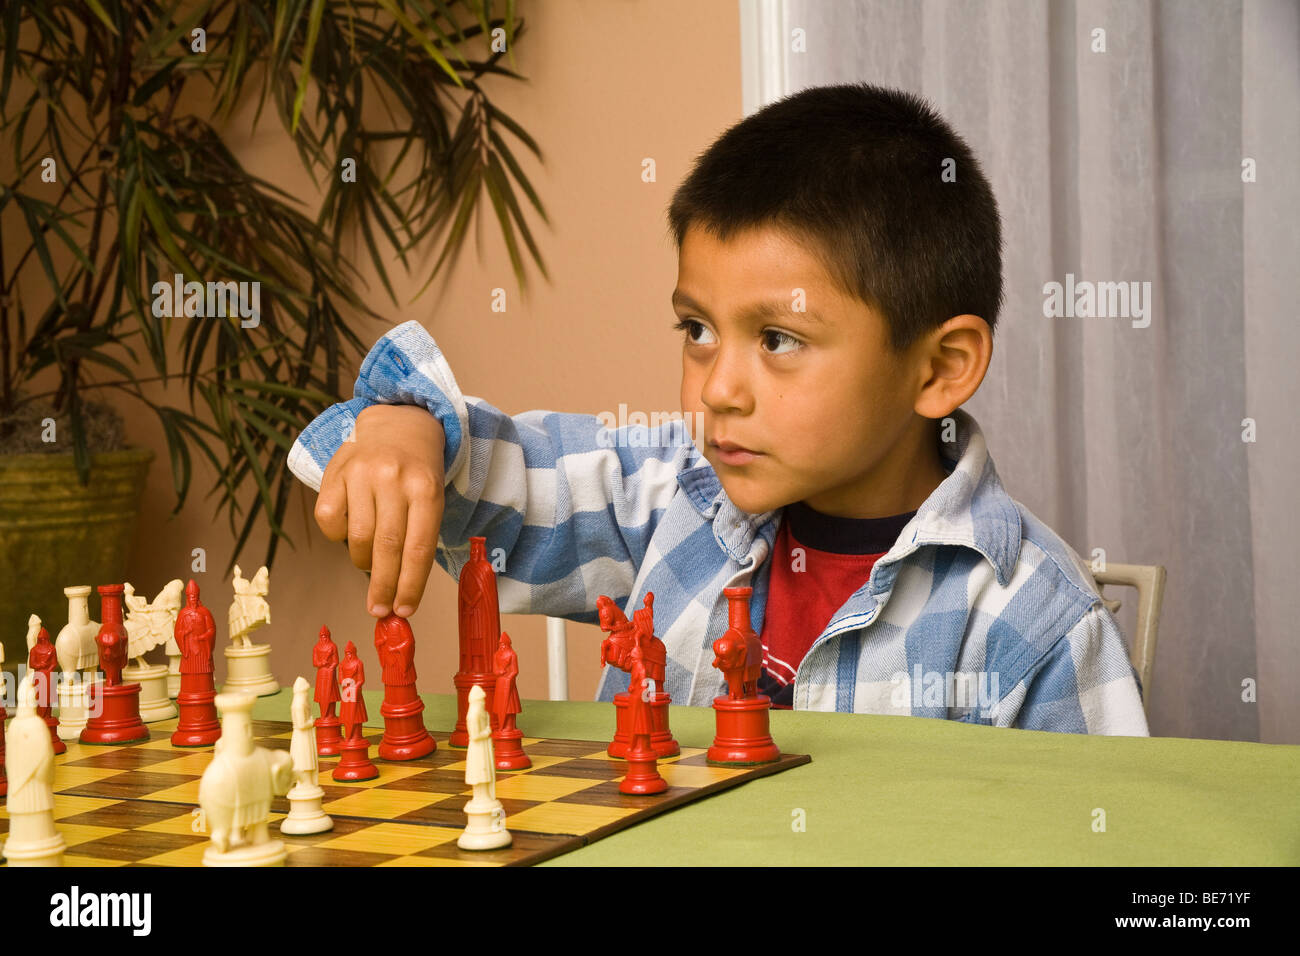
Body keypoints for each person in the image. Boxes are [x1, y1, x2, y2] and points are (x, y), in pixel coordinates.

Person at [288, 83, 1148, 735]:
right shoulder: (664, 491)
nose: (717, 388)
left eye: (778, 339)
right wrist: (403, 425)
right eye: (697, 329)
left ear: (941, 369)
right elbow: (474, 481)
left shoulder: (1035, 624)